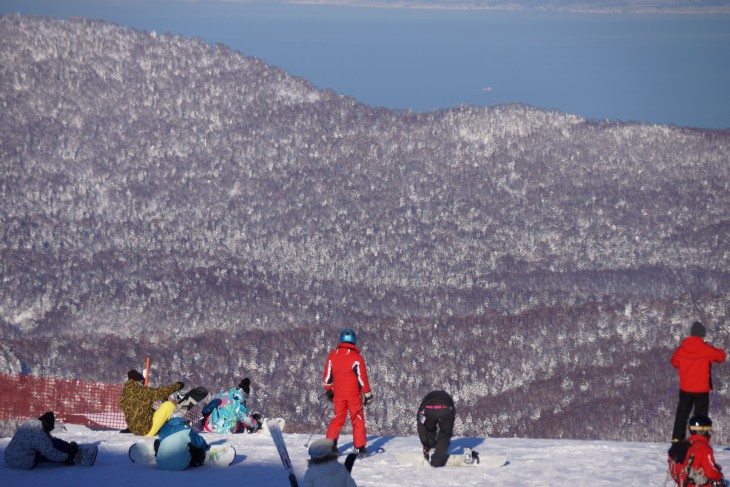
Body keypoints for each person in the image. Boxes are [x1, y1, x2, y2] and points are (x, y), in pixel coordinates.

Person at [671, 321, 726, 442]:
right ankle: (699, 440)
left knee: (682, 415)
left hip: (685, 388)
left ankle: (677, 439)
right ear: (702, 335)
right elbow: (721, 356)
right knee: (700, 416)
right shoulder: (706, 349)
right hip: (702, 389)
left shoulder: (682, 349)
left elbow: (674, 362)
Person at [323, 328, 373, 458]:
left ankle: (330, 446)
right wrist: (368, 395)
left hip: (338, 394)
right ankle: (360, 448)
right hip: (353, 395)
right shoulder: (356, 358)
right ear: (354, 341)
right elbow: (362, 379)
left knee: (337, 419)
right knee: (358, 420)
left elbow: (327, 376)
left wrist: (328, 390)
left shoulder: (332, 355)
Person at [119, 369, 185, 436]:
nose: (143, 384)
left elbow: (136, 411)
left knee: (150, 410)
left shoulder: (125, 393)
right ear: (139, 381)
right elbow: (160, 392)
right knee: (168, 405)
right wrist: (178, 385)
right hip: (146, 430)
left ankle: (166, 424)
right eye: (142, 382)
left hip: (135, 430)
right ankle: (178, 425)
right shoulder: (142, 391)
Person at [3, 411, 79, 469]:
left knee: (48, 441)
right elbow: (50, 452)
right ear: (45, 425)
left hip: (8, 458)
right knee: (47, 448)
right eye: (48, 430)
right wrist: (68, 457)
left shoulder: (29, 423)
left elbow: (46, 439)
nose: (48, 432)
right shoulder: (38, 434)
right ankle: (68, 450)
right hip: (23, 462)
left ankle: (67, 447)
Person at [671, 415, 725, 486]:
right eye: (709, 430)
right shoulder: (704, 448)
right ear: (703, 430)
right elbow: (710, 472)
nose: (709, 433)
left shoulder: (684, 444)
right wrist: (720, 476)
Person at [417, 390, 456, 467]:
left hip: (428, 409)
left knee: (428, 430)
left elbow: (421, 426)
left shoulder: (424, 403)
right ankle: (437, 461)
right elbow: (452, 412)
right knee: (445, 434)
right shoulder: (446, 398)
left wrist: (426, 445)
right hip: (446, 409)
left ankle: (431, 449)